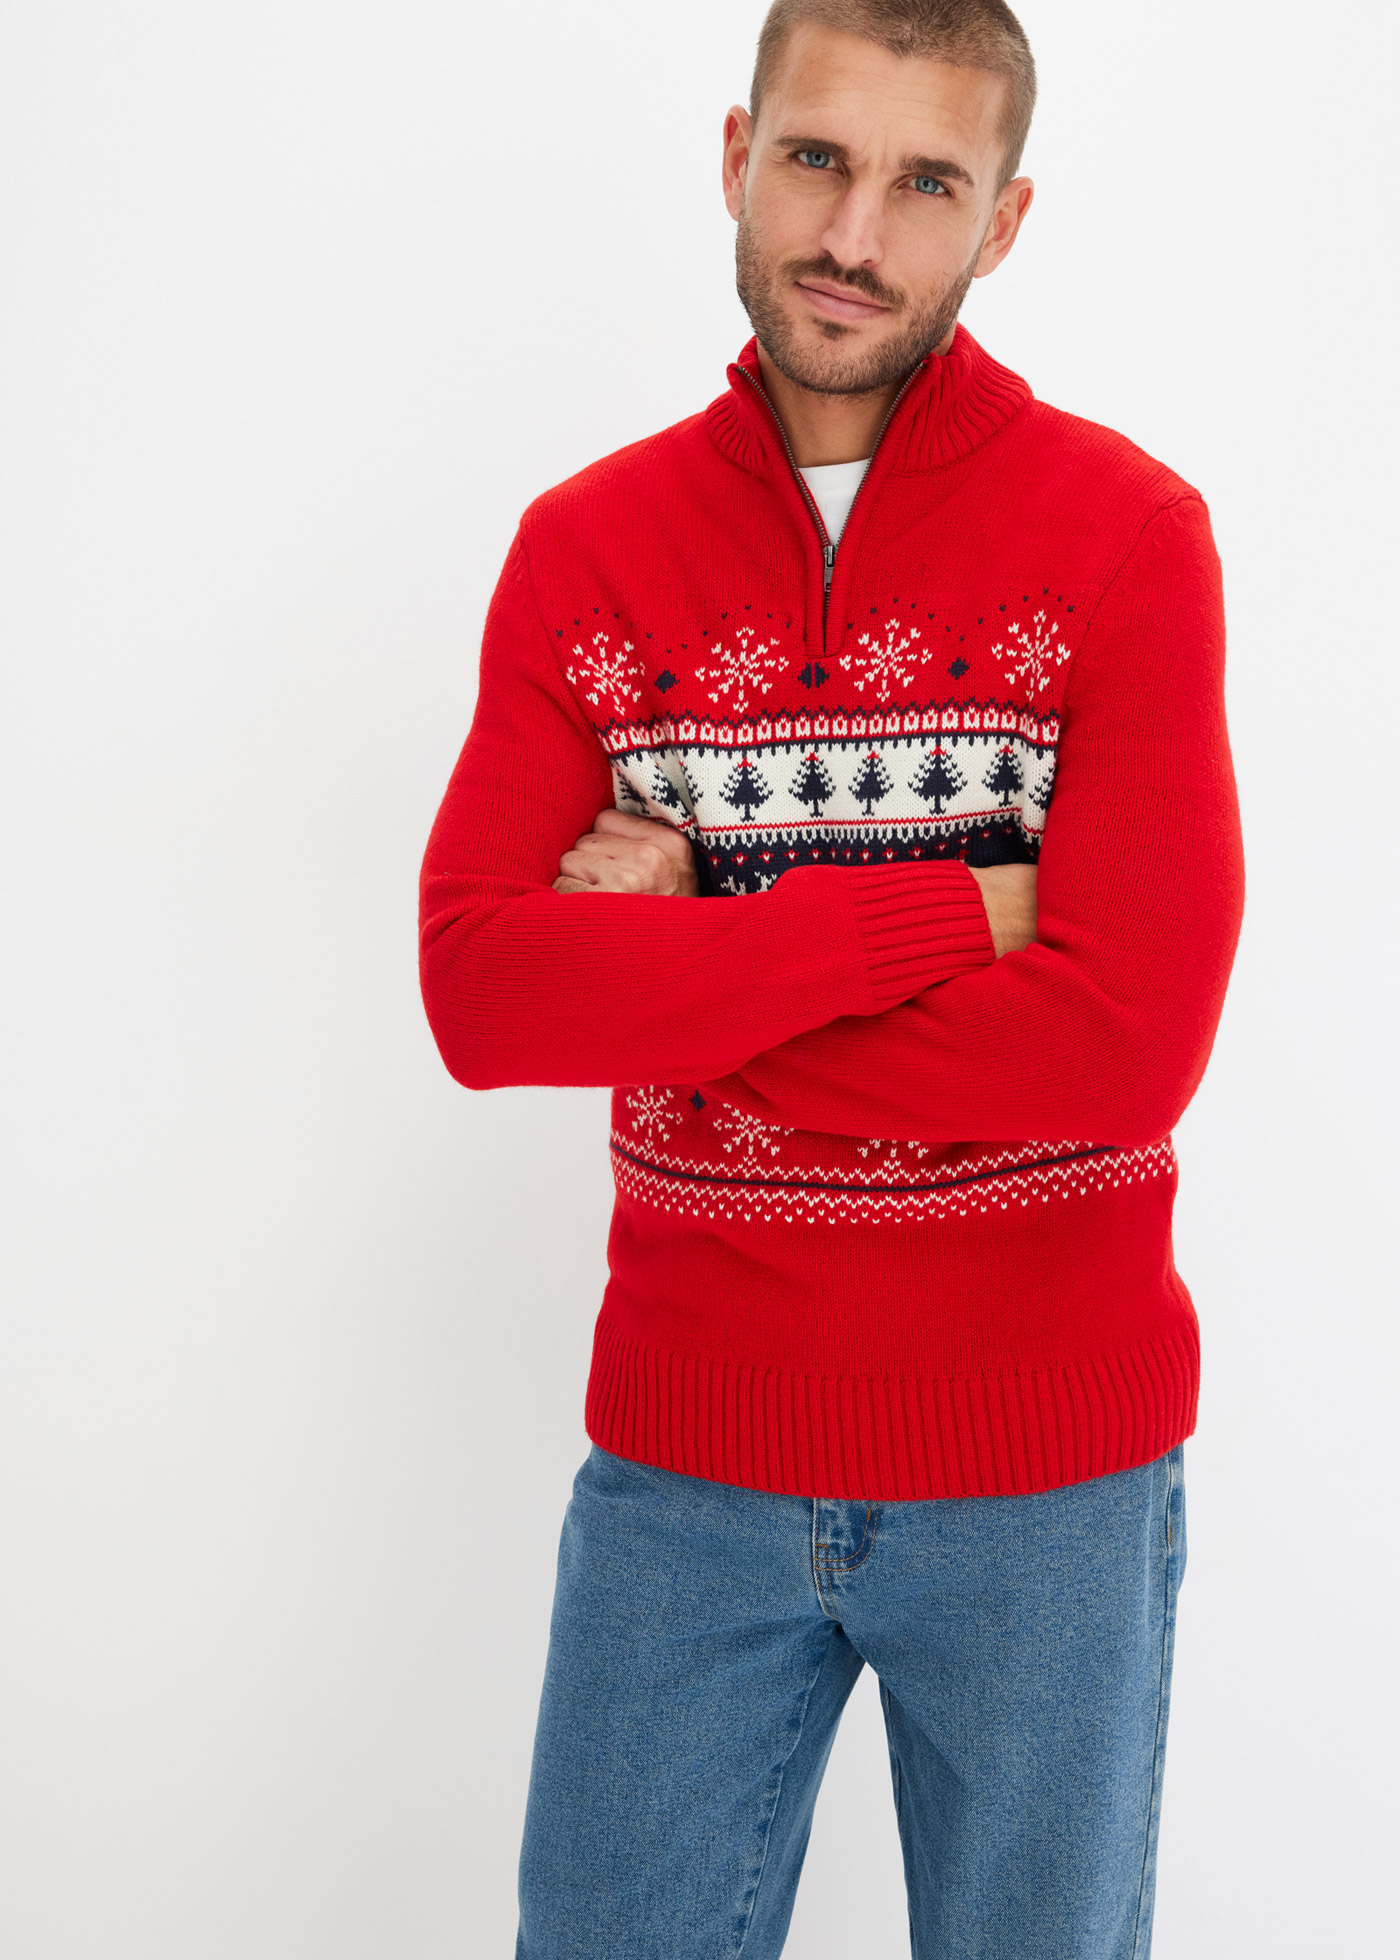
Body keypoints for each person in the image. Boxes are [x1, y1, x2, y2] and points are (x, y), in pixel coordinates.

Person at [418, 1, 1244, 1951]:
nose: (854, 234)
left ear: (1002, 220)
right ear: (736, 154)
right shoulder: (587, 553)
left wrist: (676, 958)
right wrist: (955, 912)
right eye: (815, 158)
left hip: (1047, 1470)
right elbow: (484, 997)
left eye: (923, 183)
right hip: (685, 1460)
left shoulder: (1129, 540)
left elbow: (1123, 1048)